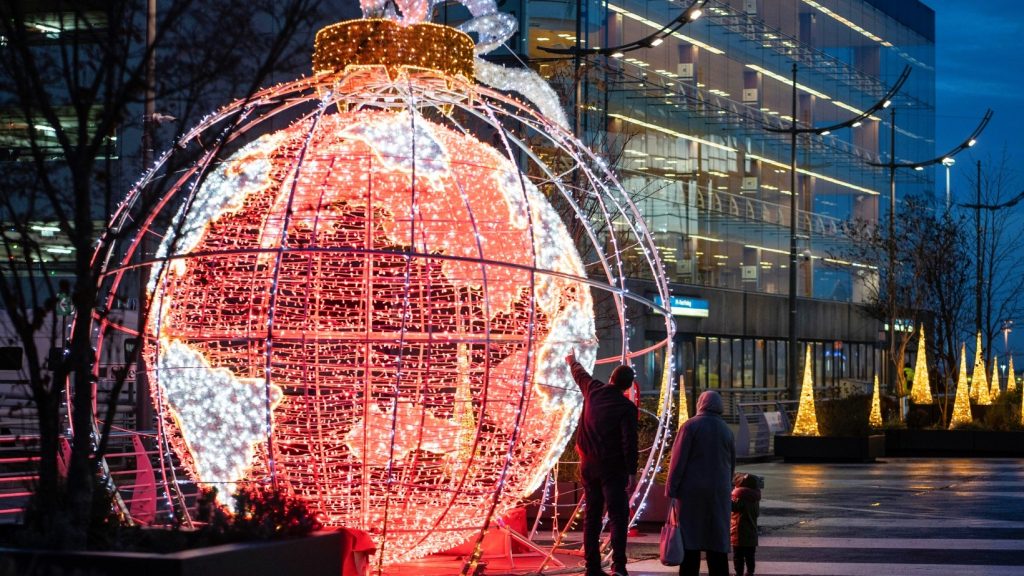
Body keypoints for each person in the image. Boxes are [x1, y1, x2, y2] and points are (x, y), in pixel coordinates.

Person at [565, 351, 639, 576]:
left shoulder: (593, 390)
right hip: (613, 469)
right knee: (618, 517)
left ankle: (592, 567)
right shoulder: (627, 408)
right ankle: (619, 566)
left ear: (611, 378)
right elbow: (629, 442)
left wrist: (572, 360)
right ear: (627, 388)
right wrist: (632, 471)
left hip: (588, 465)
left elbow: (580, 374)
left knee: (592, 516)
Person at [666, 390, 735, 576]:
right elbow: (731, 464)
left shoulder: (690, 427)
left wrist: (671, 488)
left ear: (700, 404)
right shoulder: (726, 430)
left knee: (690, 542)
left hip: (691, 493)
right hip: (718, 493)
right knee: (717, 542)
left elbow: (678, 460)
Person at [731, 472, 762, 576]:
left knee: (738, 555)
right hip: (752, 532)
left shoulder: (740, 497)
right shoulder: (755, 498)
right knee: (750, 555)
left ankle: (738, 573)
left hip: (739, 532)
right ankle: (750, 572)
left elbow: (732, 507)